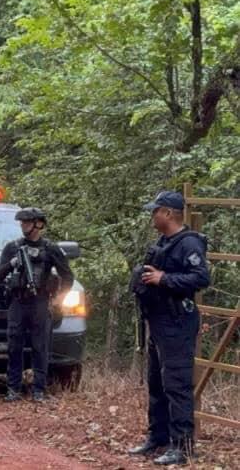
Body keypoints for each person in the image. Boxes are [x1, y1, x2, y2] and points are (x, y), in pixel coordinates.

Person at [128, 191, 209, 466]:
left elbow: (201, 278)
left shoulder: (189, 244)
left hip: (177, 322)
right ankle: (158, 437)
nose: (152, 216)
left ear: (168, 214)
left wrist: (164, 278)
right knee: (157, 383)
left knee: (177, 385)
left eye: (155, 211)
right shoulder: (164, 241)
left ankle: (182, 446)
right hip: (158, 320)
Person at [0, 207, 74, 402]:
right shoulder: (12, 247)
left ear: (38, 224)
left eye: (27, 222)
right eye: (22, 223)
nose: (23, 226)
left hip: (40, 301)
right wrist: (12, 264)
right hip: (18, 302)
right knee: (14, 346)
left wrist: (58, 300)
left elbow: (68, 276)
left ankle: (39, 390)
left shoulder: (51, 249)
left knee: (40, 347)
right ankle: (13, 389)